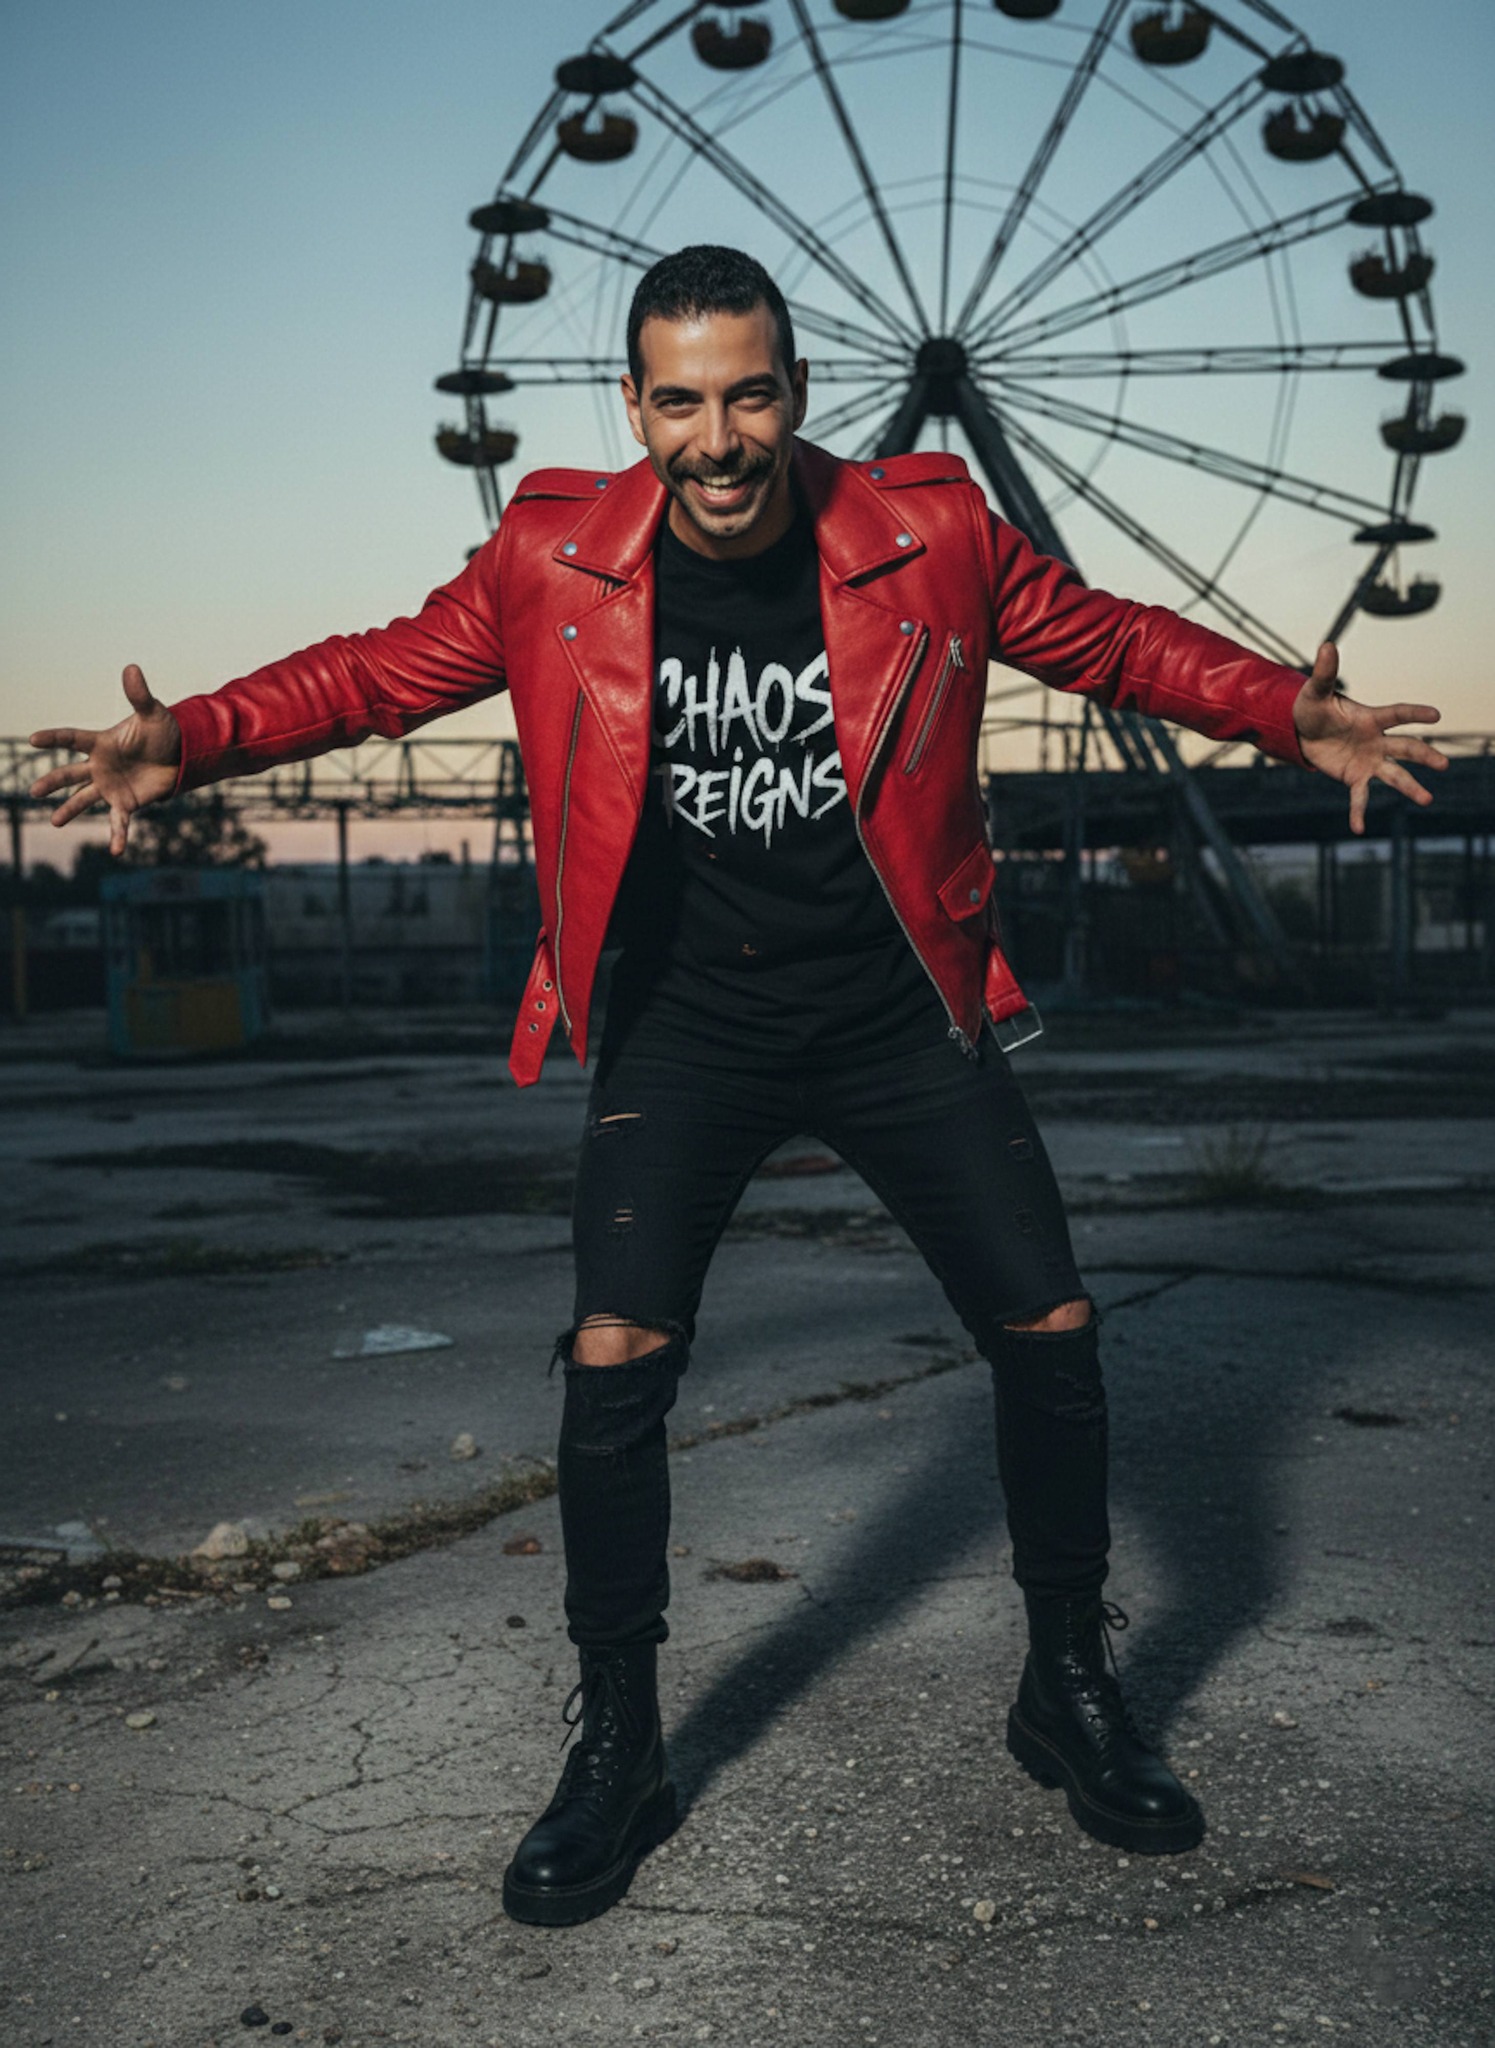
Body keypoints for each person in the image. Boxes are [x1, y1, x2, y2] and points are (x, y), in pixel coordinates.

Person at [30, 244, 1446, 1929]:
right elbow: (374, 675)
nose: (719, 437)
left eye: (752, 393)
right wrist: (188, 734)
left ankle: (1066, 1685)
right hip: (688, 1020)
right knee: (617, 1351)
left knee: (1052, 1328)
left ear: (797, 391)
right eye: (682, 401)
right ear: (632, 408)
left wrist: (1291, 712)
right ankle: (619, 1737)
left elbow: (1114, 644)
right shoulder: (552, 554)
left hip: (897, 1004)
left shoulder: (929, 536)